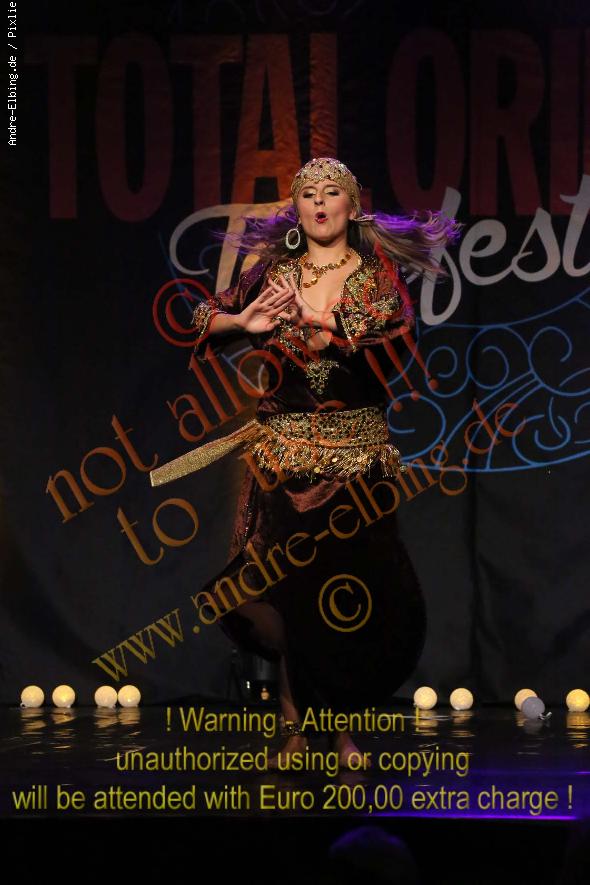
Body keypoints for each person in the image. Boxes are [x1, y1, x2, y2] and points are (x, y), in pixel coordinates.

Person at [150, 157, 462, 768]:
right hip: (283, 466)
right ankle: (295, 728)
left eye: (331, 192)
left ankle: (342, 731)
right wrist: (242, 320)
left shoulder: (374, 275)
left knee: (347, 598)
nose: (320, 203)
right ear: (296, 209)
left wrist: (323, 325)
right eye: (308, 194)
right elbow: (200, 316)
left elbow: (396, 341)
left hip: (356, 465)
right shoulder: (275, 273)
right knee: (288, 594)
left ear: (352, 205)